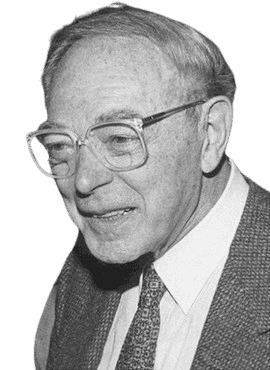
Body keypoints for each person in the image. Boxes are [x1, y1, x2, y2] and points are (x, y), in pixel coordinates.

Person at [26, 2, 270, 370]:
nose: (83, 180)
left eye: (120, 139)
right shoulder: (79, 278)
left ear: (210, 134)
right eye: (60, 145)